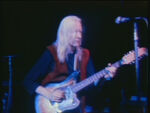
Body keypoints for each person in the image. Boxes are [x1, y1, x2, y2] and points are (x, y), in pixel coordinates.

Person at [23, 15, 117, 113]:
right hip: (49, 104)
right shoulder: (52, 52)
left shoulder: (85, 54)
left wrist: (105, 77)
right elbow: (28, 81)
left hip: (76, 107)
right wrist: (49, 94)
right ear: (64, 33)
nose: (79, 36)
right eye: (74, 32)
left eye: (80, 32)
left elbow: (90, 89)